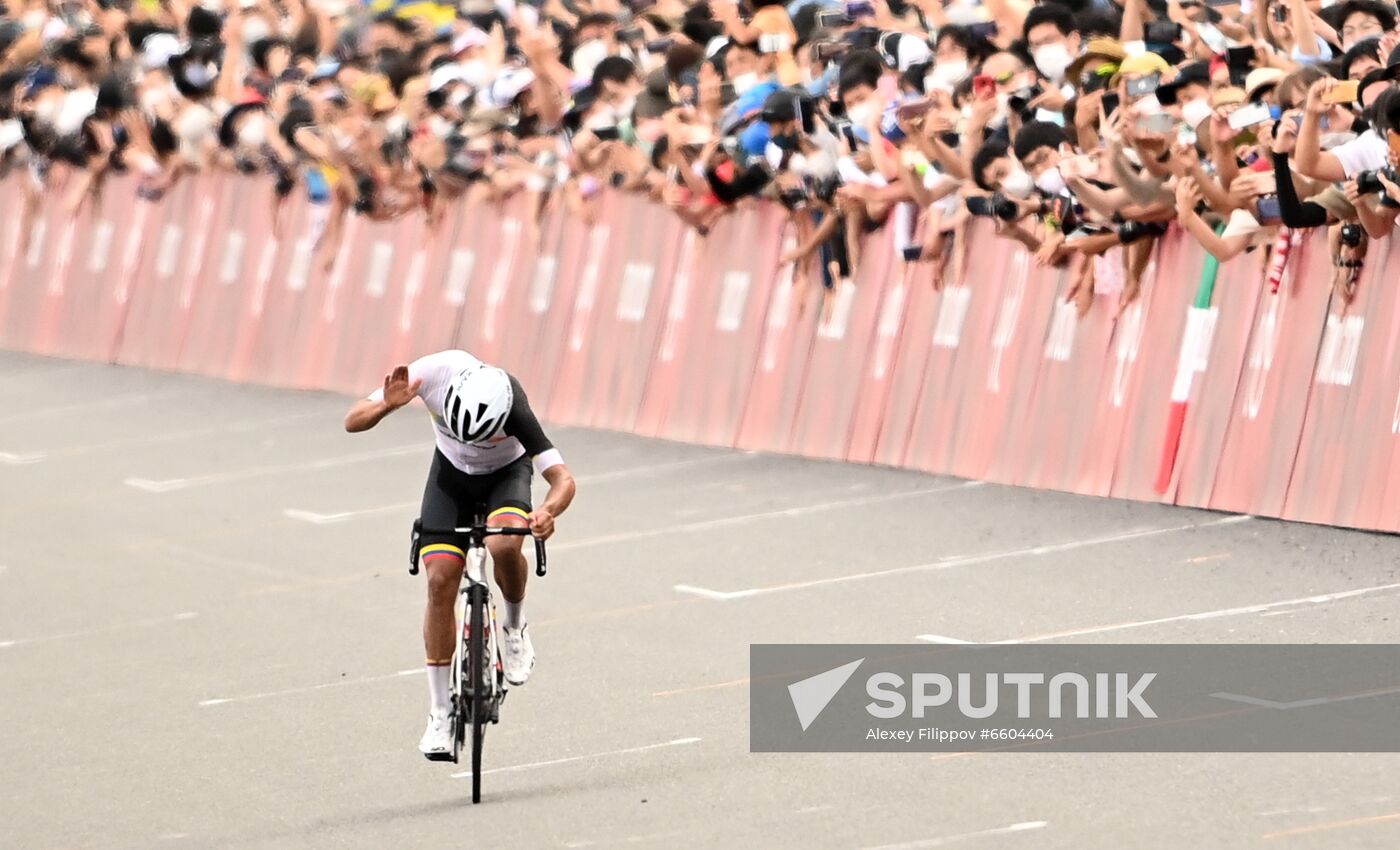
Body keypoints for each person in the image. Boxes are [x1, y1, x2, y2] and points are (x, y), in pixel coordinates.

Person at [343, 350, 577, 759]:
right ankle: (439, 713)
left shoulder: (515, 406)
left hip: (505, 478)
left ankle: (515, 628)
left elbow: (562, 478)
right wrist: (384, 406)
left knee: (505, 542)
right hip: (450, 479)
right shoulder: (431, 374)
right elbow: (352, 421)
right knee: (439, 581)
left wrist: (548, 512)